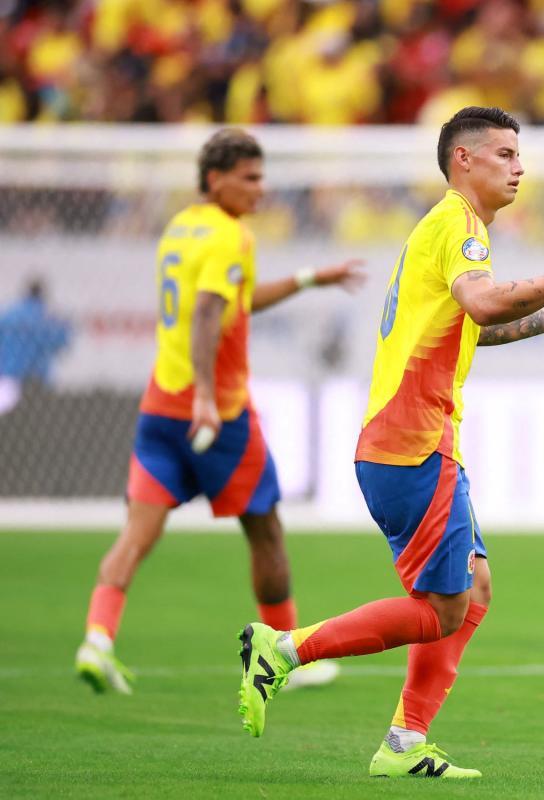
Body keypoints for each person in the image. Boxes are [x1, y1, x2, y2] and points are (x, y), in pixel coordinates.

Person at [235, 107, 544, 780]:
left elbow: (473, 328)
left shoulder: (453, 229)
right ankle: (283, 650)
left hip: (412, 442)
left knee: (473, 588)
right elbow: (484, 307)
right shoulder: (459, 225)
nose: (520, 166)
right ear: (465, 159)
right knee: (446, 608)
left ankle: (405, 741)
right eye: (506, 153)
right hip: (412, 443)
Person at [74, 129, 365, 694]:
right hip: (219, 413)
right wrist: (207, 398)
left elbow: (238, 301)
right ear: (216, 179)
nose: (262, 189)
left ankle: (97, 638)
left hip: (160, 405)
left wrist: (310, 278)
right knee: (267, 532)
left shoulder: (182, 227)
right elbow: (208, 314)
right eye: (250, 178)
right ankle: (283, 653)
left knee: (135, 535)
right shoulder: (231, 237)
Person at [0, 278, 71, 415]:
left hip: (9, 373)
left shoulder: (9, 315)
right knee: (38, 415)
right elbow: (62, 341)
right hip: (37, 375)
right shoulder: (47, 317)